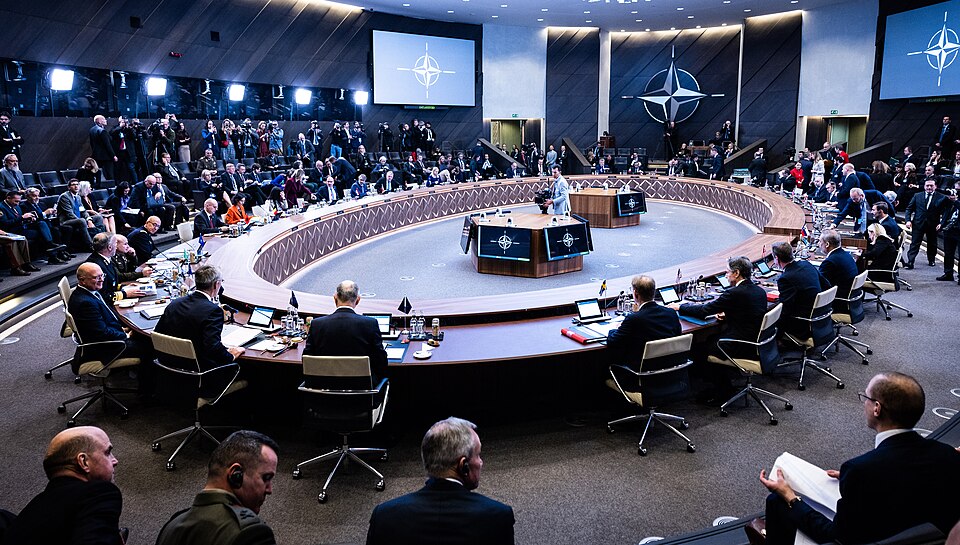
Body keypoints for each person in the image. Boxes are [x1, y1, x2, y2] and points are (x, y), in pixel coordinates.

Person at [753, 372, 960, 545]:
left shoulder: (861, 470)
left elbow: (835, 536)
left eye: (866, 398)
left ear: (877, 408)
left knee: (777, 501)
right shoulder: (947, 454)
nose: (864, 403)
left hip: (870, 537)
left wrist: (791, 497)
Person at [366, 417, 515, 545]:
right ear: (463, 465)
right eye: (478, 455)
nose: (481, 462)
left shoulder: (384, 515)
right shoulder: (497, 516)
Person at [668, 256, 767, 403]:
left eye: (727, 272)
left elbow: (704, 310)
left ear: (736, 273)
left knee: (698, 349)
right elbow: (748, 311)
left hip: (740, 343)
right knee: (709, 339)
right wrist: (728, 314)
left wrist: (680, 307)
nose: (726, 275)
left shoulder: (734, 293)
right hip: (756, 340)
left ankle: (721, 390)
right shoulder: (759, 291)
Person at [3, 426, 125, 545]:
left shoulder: (33, 508)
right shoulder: (97, 493)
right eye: (107, 453)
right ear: (84, 462)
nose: (115, 461)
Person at [156, 430, 279, 545]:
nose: (269, 490)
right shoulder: (252, 532)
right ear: (236, 475)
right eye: (266, 478)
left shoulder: (171, 526)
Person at [153, 265, 246, 397]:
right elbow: (213, 348)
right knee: (247, 368)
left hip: (169, 370)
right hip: (199, 376)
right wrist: (230, 355)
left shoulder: (175, 304)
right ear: (216, 285)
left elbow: (158, 333)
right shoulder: (213, 311)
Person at [303, 280, 388, 383]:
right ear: (358, 300)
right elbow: (381, 362)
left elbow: (306, 360)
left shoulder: (317, 325)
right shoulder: (370, 324)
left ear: (335, 298)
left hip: (323, 387)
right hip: (362, 388)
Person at [68, 262, 146, 372]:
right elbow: (102, 334)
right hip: (106, 348)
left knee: (141, 334)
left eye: (102, 275)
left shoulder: (89, 292)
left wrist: (123, 329)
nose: (102, 280)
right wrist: (125, 335)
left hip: (109, 336)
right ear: (82, 280)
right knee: (150, 345)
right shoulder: (85, 303)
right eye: (96, 277)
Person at [605, 275, 682, 368]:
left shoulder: (634, 319)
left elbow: (613, 341)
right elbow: (678, 336)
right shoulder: (671, 313)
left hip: (642, 372)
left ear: (635, 294)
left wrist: (615, 329)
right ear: (653, 292)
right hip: (671, 369)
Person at [772, 242, 829, 338]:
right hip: (821, 317)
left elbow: (785, 310)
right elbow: (826, 285)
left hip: (803, 324)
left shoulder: (785, 278)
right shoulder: (806, 264)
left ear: (777, 258)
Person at [904, 178, 946, 269]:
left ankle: (931, 260)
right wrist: (908, 220)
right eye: (927, 185)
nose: (929, 187)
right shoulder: (917, 196)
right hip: (918, 223)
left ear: (935, 186)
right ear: (924, 186)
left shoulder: (941, 197)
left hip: (933, 224)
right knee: (915, 243)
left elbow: (946, 212)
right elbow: (909, 209)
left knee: (932, 243)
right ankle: (910, 261)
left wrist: (942, 223)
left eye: (931, 186)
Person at [817, 230, 857, 311]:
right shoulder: (846, 254)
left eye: (820, 241)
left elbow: (819, 284)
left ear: (827, 244)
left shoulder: (830, 262)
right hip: (849, 299)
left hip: (837, 301)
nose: (818, 244)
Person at [862, 223, 898, 287]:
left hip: (881, 274)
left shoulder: (882, 240)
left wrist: (861, 254)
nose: (869, 236)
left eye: (869, 233)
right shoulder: (884, 240)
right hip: (884, 270)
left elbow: (874, 253)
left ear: (873, 233)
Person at [937, 187, 960, 283]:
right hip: (949, 230)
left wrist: (956, 200)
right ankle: (948, 273)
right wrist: (946, 197)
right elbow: (937, 205)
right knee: (948, 253)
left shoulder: (956, 202)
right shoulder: (949, 201)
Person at [89, 115, 117, 181]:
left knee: (98, 173)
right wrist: (113, 155)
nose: (106, 120)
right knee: (109, 174)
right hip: (106, 157)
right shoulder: (102, 131)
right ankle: (111, 186)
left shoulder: (92, 130)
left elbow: (92, 143)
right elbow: (108, 145)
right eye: (104, 119)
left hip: (96, 155)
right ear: (99, 121)